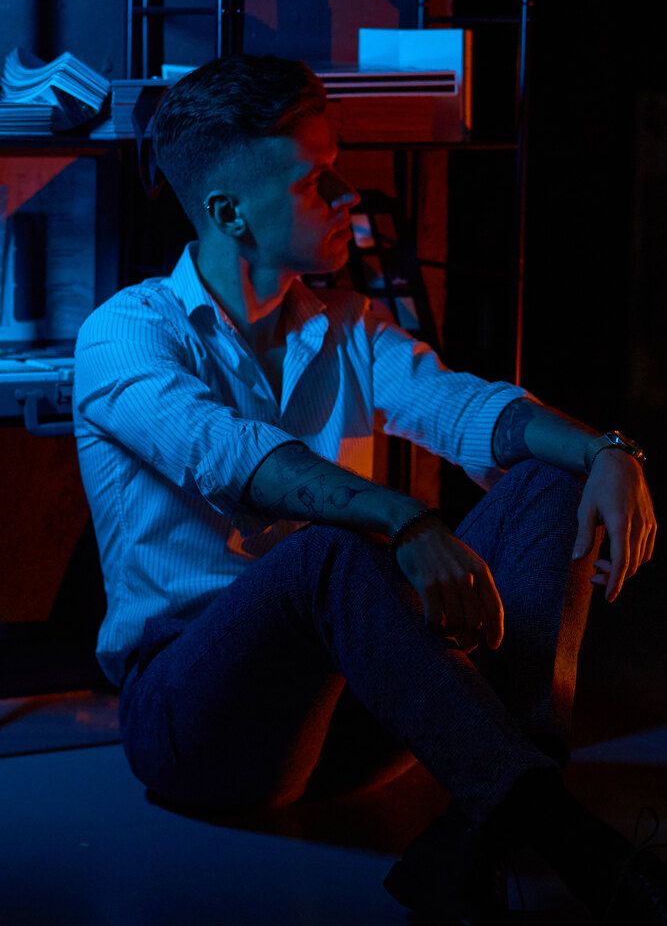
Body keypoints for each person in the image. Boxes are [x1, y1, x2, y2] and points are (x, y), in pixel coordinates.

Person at [73, 54, 665, 924]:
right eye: (314, 181)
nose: (346, 195)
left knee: (548, 475)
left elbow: (462, 405)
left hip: (353, 711)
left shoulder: (349, 323)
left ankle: (499, 808)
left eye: (336, 169)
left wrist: (607, 451)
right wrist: (407, 522)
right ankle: (571, 843)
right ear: (229, 213)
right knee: (328, 553)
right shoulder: (123, 332)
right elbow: (233, 456)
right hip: (200, 725)